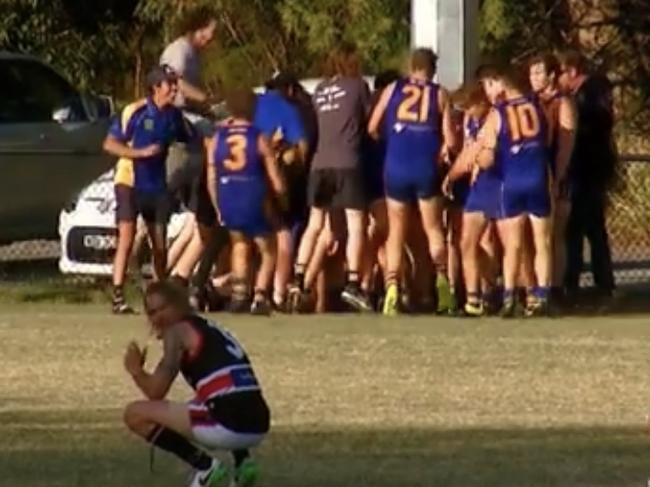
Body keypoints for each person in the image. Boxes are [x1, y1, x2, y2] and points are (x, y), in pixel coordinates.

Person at [123, 281, 270, 487]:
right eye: (152, 312)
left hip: (228, 425)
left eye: (162, 309)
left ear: (179, 304)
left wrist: (136, 371)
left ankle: (204, 466)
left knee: (134, 414)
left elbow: (156, 391)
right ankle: (242, 461)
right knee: (210, 396)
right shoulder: (209, 327)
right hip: (259, 422)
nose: (157, 317)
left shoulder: (177, 332)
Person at [368, 48, 457, 316]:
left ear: (411, 66)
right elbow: (451, 141)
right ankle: (442, 283)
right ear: (432, 70)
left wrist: (393, 141)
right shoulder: (439, 93)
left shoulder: (393, 88)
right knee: (433, 228)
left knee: (396, 231)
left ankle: (392, 287)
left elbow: (372, 126)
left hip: (396, 166)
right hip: (425, 167)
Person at [103, 65, 193, 314]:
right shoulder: (136, 111)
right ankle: (118, 297)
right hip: (129, 181)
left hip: (156, 185)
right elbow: (110, 144)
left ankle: (160, 298)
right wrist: (139, 153)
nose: (174, 88)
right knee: (127, 238)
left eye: (175, 83)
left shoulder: (174, 116)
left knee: (160, 245)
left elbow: (192, 138)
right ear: (156, 87)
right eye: (170, 83)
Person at [291, 43, 372, 312]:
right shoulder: (358, 85)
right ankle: (352, 283)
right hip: (348, 162)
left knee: (315, 224)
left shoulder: (321, 91)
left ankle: (299, 278)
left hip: (319, 164)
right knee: (356, 224)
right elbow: (367, 121)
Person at [475, 65, 552, 317]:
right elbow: (548, 139)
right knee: (543, 242)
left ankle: (509, 296)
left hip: (513, 181)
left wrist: (482, 158)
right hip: (538, 177)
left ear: (502, 84)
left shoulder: (499, 112)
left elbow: (487, 154)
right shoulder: (538, 106)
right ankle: (542, 296)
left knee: (514, 244)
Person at [206, 89, 287, 315]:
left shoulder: (217, 138)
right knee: (268, 247)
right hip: (252, 195)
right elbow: (275, 179)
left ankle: (239, 296)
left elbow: (211, 176)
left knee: (239, 245)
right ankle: (260, 295)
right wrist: (281, 193)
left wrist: (217, 204)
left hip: (228, 195)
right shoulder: (258, 137)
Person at [161, 8, 221, 299]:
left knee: (203, 223)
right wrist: (206, 100)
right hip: (180, 124)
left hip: (192, 124)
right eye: (210, 32)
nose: (212, 39)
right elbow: (174, 83)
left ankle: (175, 279)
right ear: (198, 28)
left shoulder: (194, 56)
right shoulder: (179, 51)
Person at [558, 50, 617, 301]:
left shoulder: (589, 96)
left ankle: (575, 279)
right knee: (591, 226)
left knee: (580, 226)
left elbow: (598, 125)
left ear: (571, 71)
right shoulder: (593, 93)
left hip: (587, 168)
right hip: (589, 168)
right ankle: (600, 280)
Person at [254, 73, 308, 310]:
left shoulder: (254, 105)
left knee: (246, 243)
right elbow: (302, 147)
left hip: (242, 180)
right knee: (283, 235)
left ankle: (237, 290)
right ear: (289, 89)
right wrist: (300, 172)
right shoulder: (288, 109)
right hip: (271, 179)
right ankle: (277, 293)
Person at [444, 80, 498, 316]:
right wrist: (451, 176)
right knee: (468, 241)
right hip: (477, 186)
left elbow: (475, 154)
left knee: (487, 241)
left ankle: (493, 292)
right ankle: (475, 298)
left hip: (493, 184)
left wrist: (460, 170)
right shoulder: (473, 121)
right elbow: (467, 152)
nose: (466, 113)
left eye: (469, 107)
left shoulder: (493, 119)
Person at [528, 53, 577, 306]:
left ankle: (556, 287)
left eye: (539, 73)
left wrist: (557, 177)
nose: (534, 78)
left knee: (555, 234)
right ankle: (533, 285)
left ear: (550, 76)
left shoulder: (563, 103)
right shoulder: (530, 102)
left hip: (556, 174)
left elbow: (565, 145)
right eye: (531, 73)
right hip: (532, 174)